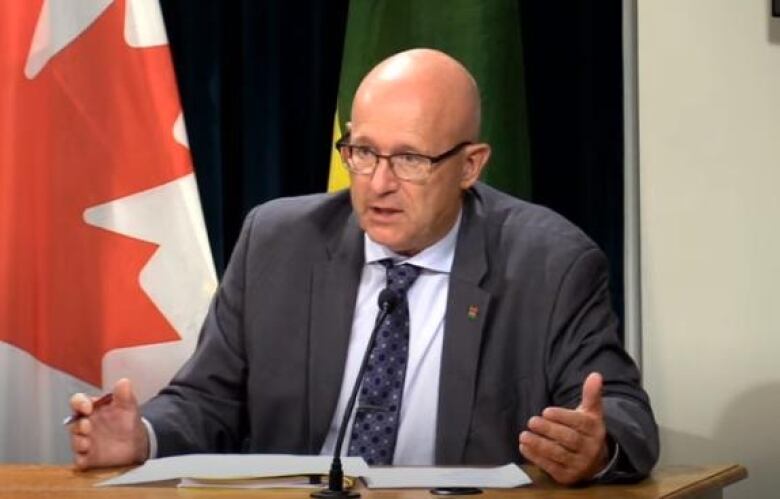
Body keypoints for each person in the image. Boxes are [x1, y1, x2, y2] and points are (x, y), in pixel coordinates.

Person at [69, 48, 658, 485]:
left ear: (471, 164)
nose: (378, 183)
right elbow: (210, 401)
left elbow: (624, 415)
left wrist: (597, 446)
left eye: (409, 159)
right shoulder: (278, 242)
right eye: (363, 151)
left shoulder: (550, 263)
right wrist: (142, 435)